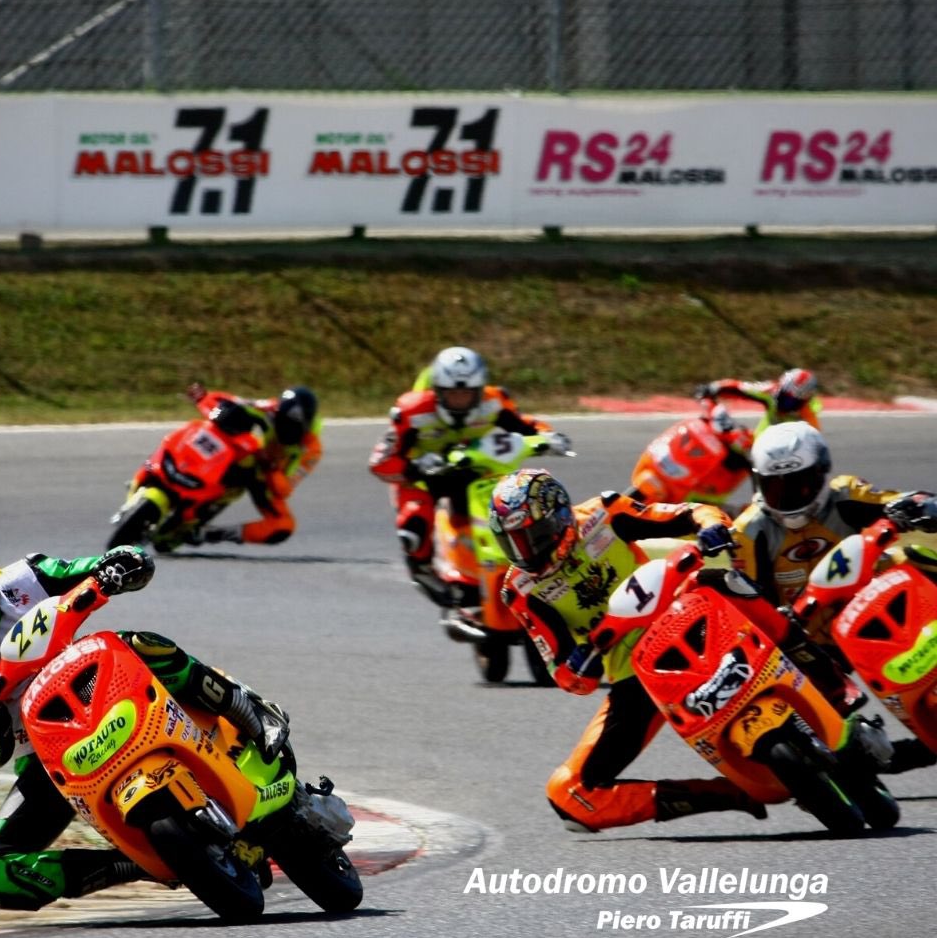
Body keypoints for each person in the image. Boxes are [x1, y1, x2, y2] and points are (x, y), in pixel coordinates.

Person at [0, 531, 290, 911]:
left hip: (101, 681)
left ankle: (248, 712)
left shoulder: (26, 576)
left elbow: (100, 566)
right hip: (48, 758)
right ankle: (135, 864)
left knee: (138, 643)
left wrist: (118, 567)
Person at [488, 468, 776, 832]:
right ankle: (725, 793)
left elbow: (684, 513)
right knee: (573, 796)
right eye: (513, 543)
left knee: (731, 573)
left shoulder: (603, 514)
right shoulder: (520, 589)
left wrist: (711, 523)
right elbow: (564, 674)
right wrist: (583, 662)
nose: (526, 552)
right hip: (636, 673)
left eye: (534, 537)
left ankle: (829, 682)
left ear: (559, 517)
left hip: (688, 613)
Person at [730, 420, 937, 772]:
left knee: (921, 562)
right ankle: (863, 750)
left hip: (878, 611)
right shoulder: (750, 531)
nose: (788, 496)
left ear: (822, 474)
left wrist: (917, 507)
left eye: (799, 484)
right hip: (810, 639)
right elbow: (749, 601)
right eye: (775, 486)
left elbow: (903, 502)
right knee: (801, 719)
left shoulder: (846, 496)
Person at [368, 346, 571, 606]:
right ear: (438, 392)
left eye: (467, 393)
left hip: (476, 470)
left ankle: (532, 559)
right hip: (424, 479)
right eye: (453, 394)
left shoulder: (494, 401)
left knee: (521, 503)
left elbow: (526, 425)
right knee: (413, 527)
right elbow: (381, 461)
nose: (461, 400)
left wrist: (547, 436)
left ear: (479, 391)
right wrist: (415, 467)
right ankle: (422, 569)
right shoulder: (412, 411)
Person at [184, 382, 322, 546]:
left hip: (267, 478)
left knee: (283, 526)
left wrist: (270, 467)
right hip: (247, 454)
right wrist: (204, 397)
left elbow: (284, 490)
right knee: (223, 423)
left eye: (292, 427)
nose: (285, 430)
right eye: (282, 422)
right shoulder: (272, 407)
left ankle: (212, 534)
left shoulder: (311, 450)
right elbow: (234, 402)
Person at [695, 367, 821, 435]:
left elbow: (815, 440)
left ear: (804, 401)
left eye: (790, 401)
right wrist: (714, 387)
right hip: (760, 445)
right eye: (783, 395)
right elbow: (740, 387)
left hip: (792, 457)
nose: (784, 403)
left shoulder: (808, 415)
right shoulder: (772, 391)